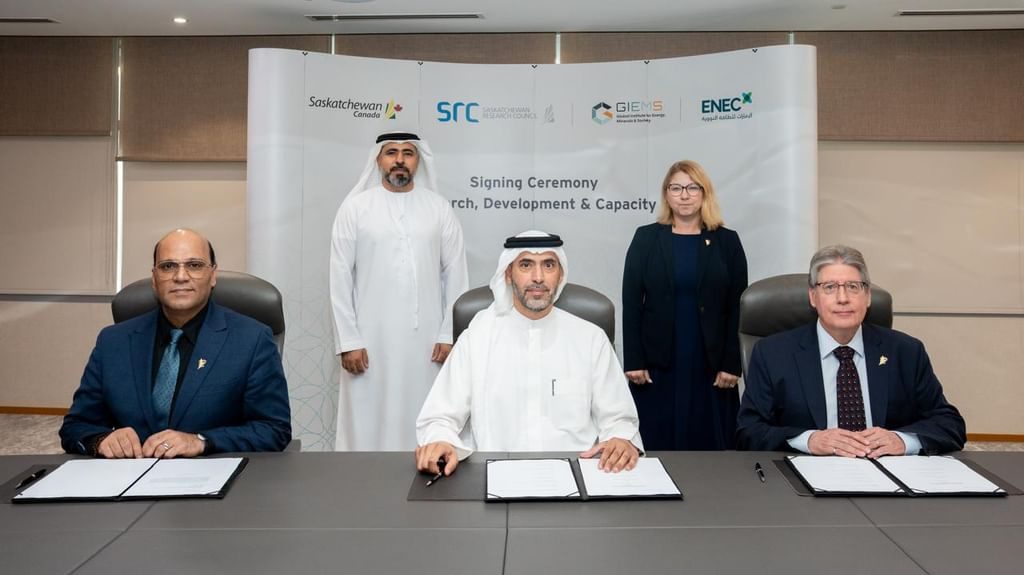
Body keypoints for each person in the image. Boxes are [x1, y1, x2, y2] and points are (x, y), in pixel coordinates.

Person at [415, 231, 642, 477]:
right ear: (508, 273)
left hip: (578, 476)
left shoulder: (591, 339)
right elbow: (440, 417)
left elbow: (619, 418)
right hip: (495, 476)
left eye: (548, 265)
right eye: (526, 265)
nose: (538, 277)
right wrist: (441, 441)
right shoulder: (477, 338)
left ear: (560, 274)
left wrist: (621, 440)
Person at [60, 229, 292, 458]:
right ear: (154, 278)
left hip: (211, 474)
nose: (180, 276)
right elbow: (76, 426)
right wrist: (101, 440)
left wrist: (202, 441)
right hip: (130, 474)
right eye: (168, 266)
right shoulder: (113, 341)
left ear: (212, 275)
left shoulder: (251, 339)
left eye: (194, 265)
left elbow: (274, 429)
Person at [736, 245, 966, 456]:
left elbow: (949, 424)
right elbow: (748, 431)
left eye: (853, 287)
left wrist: (902, 440)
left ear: (867, 296)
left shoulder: (906, 352)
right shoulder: (773, 354)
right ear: (813, 297)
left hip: (887, 473)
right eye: (829, 287)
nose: (843, 298)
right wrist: (809, 440)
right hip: (809, 472)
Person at [330, 132, 468, 451]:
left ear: (418, 161)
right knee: (366, 418)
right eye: (391, 152)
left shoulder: (438, 208)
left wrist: (448, 334)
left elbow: (456, 274)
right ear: (378, 159)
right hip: (368, 340)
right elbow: (339, 278)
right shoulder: (355, 208)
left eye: (408, 153)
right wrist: (349, 341)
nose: (400, 160)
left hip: (427, 342)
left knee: (426, 412)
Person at [621, 160, 747, 450]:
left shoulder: (727, 241)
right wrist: (634, 360)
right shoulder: (646, 238)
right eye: (676, 188)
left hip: (711, 362)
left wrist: (731, 364)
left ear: (704, 193)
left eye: (692, 188)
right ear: (667, 194)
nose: (684, 195)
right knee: (656, 443)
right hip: (657, 362)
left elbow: (736, 307)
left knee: (711, 445)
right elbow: (631, 302)